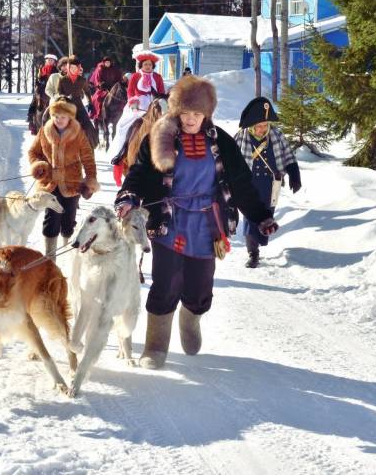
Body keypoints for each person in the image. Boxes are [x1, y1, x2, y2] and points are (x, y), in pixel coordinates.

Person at [114, 76, 278, 370]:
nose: (190, 119)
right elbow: (139, 173)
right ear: (176, 112)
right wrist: (128, 197)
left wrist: (260, 215)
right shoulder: (159, 137)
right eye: (185, 113)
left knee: (200, 285)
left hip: (206, 224)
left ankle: (191, 318)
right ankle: (155, 346)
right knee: (166, 282)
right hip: (169, 220)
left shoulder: (222, 142)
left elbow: (241, 183)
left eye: (197, 114)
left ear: (207, 114)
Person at [234, 97, 301, 268]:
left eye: (265, 125)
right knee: (251, 217)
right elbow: (230, 160)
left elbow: (288, 154)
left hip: (271, 184)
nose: (263, 129)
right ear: (251, 125)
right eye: (259, 126)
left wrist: (294, 173)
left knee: (267, 215)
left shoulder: (276, 135)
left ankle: (259, 243)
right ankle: (253, 253)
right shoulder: (241, 137)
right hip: (248, 184)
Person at [28, 97, 99, 259]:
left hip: (71, 184)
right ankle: (50, 258)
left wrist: (91, 179)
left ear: (70, 117)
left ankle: (68, 255)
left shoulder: (78, 133)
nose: (59, 120)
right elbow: (33, 152)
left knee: (68, 221)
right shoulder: (44, 131)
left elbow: (88, 158)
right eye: (56, 116)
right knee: (51, 221)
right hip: (50, 184)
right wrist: (38, 164)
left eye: (63, 117)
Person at [57, 55, 99, 150]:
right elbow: (59, 92)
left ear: (78, 68)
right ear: (68, 67)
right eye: (71, 67)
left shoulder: (82, 80)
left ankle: (90, 147)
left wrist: (90, 103)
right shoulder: (63, 79)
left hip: (78, 105)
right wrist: (65, 97)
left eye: (75, 68)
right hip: (66, 105)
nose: (73, 69)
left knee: (88, 126)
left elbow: (87, 92)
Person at [27, 54, 58, 135]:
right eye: (48, 60)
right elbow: (38, 79)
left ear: (54, 62)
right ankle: (30, 117)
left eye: (51, 60)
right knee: (34, 101)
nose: (49, 61)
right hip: (41, 89)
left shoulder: (56, 70)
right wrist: (38, 82)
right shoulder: (41, 69)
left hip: (51, 89)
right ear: (46, 61)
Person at [90, 56, 123, 121]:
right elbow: (97, 79)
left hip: (113, 87)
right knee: (98, 99)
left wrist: (119, 83)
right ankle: (99, 114)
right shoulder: (100, 69)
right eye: (106, 62)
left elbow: (118, 78)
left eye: (109, 62)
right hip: (103, 88)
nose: (107, 64)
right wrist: (100, 84)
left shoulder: (114, 69)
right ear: (104, 63)